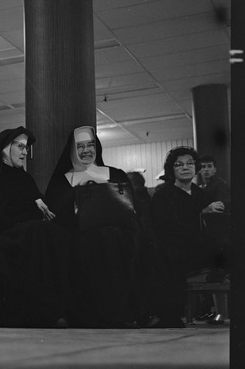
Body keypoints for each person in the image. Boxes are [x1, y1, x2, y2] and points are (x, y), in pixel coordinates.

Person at [44, 125, 178, 328]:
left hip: (120, 233)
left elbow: (133, 209)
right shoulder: (61, 181)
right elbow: (56, 214)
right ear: (72, 149)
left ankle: (137, 311)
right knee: (103, 241)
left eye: (90, 145)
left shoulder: (115, 173)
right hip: (79, 235)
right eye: (80, 146)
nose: (86, 150)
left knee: (124, 240)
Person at [0, 126, 71, 328]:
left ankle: (60, 308)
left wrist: (40, 207)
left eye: (26, 147)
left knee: (53, 234)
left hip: (20, 234)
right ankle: (41, 311)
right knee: (37, 235)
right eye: (20, 146)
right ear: (4, 148)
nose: (25, 152)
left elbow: (32, 206)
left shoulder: (24, 177)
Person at [151, 147, 228, 322]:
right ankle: (172, 317)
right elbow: (168, 229)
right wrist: (202, 212)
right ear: (172, 169)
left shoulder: (202, 194)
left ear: (196, 167)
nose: (185, 167)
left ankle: (222, 312)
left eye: (190, 163)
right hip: (174, 249)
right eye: (179, 164)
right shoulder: (163, 195)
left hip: (200, 248)